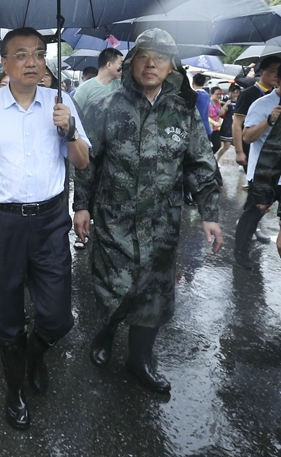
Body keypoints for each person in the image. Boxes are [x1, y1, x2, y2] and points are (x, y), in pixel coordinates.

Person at [0, 27, 90, 430]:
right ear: (5, 63)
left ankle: (34, 354)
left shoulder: (61, 103)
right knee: (7, 313)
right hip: (1, 224)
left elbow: (82, 161)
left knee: (58, 317)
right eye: (21, 55)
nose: (32, 62)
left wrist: (69, 131)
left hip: (50, 220)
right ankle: (15, 390)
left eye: (39, 54)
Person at [72, 29, 222, 396]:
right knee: (116, 288)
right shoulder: (106, 106)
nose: (151, 63)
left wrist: (209, 213)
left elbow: (201, 164)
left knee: (154, 294)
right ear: (130, 63)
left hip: (161, 225)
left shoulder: (183, 112)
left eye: (160, 57)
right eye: (143, 56)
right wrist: (81, 205)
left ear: (172, 67)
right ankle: (106, 332)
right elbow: (88, 162)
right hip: (114, 221)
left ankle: (139, 360)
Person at [235, 80, 281, 269]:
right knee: (253, 214)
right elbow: (247, 137)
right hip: (264, 174)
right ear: (278, 81)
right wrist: (269, 120)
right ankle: (241, 253)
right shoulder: (262, 104)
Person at [71, 47, 123, 120]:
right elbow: (73, 115)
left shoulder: (121, 86)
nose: (122, 68)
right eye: (120, 64)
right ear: (109, 65)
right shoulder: (84, 89)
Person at [215, 84, 240, 164]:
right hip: (227, 125)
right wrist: (226, 104)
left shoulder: (240, 101)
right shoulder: (225, 100)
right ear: (229, 92)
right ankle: (216, 160)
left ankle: (242, 162)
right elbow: (220, 113)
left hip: (237, 125)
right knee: (226, 146)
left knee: (239, 145)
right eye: (233, 92)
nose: (235, 94)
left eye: (237, 92)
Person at [191, 73, 211, 137]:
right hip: (206, 128)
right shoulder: (207, 95)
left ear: (193, 82)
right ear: (204, 83)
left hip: (196, 130)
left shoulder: (194, 95)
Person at [208, 87, 224, 153]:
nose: (219, 96)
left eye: (220, 94)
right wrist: (213, 122)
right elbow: (205, 116)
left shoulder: (218, 103)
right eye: (217, 94)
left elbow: (220, 114)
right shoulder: (207, 103)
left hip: (216, 128)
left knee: (217, 145)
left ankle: (209, 156)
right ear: (211, 94)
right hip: (208, 128)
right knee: (206, 145)